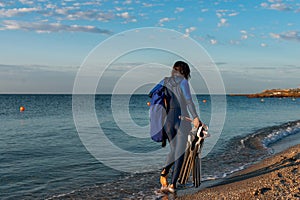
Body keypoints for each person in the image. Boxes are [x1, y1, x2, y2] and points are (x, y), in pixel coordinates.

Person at [149, 61, 201, 193]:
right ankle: (172, 185)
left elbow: (151, 93)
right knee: (180, 153)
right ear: (185, 71)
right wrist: (195, 117)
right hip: (181, 120)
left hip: (167, 121)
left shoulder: (165, 81)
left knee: (173, 151)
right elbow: (188, 101)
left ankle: (164, 174)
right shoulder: (183, 82)